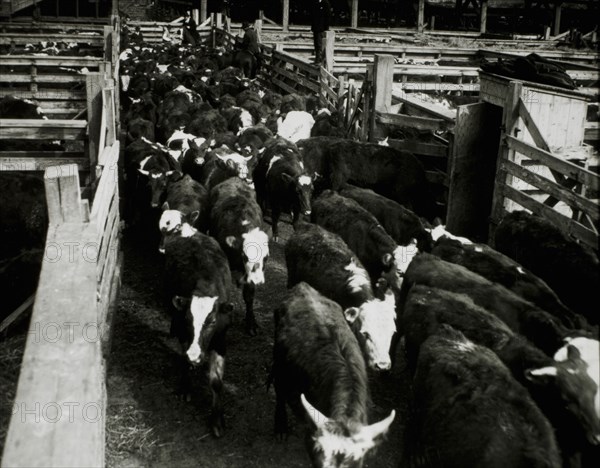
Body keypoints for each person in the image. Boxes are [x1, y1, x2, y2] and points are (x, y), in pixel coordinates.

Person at [311, 0, 331, 65]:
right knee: (316, 44)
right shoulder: (315, 3)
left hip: (321, 28)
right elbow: (313, 16)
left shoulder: (325, 3)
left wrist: (326, 28)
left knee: (320, 44)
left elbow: (328, 16)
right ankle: (317, 59)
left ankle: (320, 60)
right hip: (316, 28)